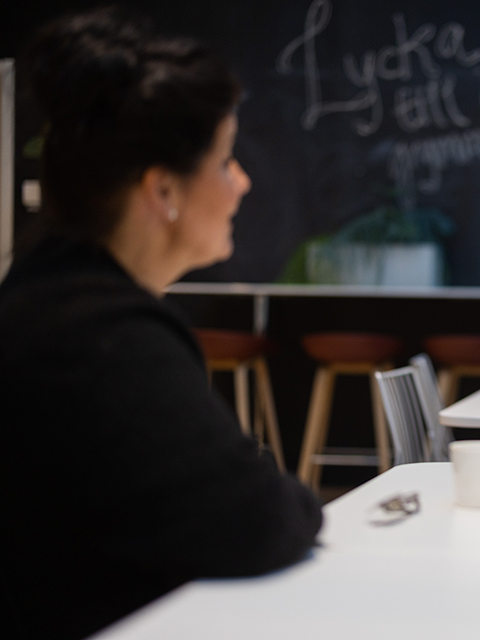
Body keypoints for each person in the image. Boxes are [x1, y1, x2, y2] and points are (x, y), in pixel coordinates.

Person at [0, 9, 322, 639]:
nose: (243, 183)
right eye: (226, 161)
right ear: (163, 191)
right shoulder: (103, 339)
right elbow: (256, 521)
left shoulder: (42, 294)